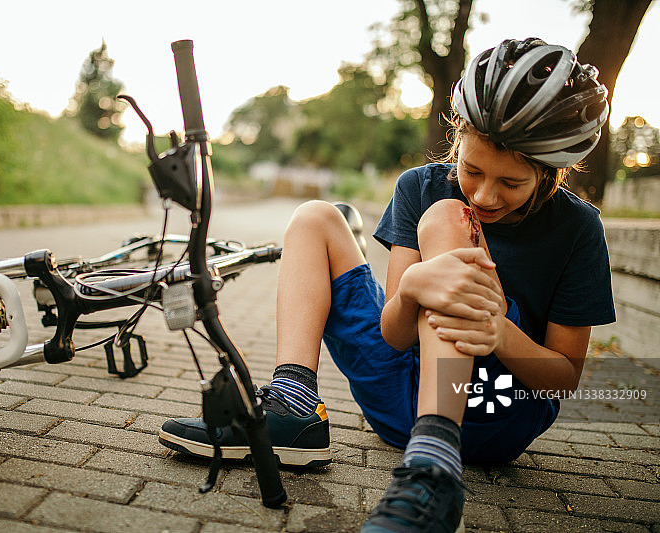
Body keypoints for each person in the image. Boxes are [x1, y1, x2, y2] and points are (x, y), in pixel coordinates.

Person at [159, 38, 615, 532]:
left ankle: (433, 470)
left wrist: (499, 330)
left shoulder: (577, 228)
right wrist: (416, 283)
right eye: (472, 169)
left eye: (511, 184)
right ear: (457, 140)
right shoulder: (421, 186)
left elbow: (565, 377)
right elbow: (395, 334)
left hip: (492, 413)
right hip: (399, 386)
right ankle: (294, 407)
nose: (484, 194)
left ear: (549, 174)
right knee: (316, 217)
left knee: (448, 219)